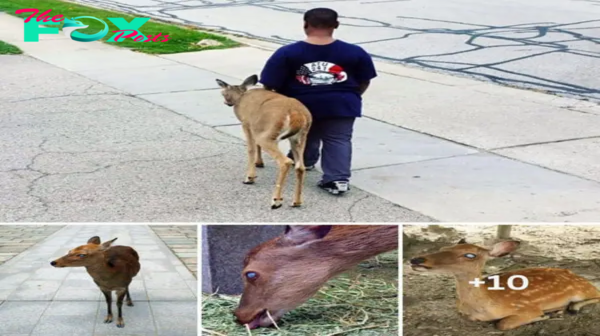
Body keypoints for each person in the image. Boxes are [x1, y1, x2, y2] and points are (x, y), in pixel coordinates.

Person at [259, 7, 377, 195]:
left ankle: (303, 161)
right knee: (338, 139)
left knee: (305, 134)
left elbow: (269, 84)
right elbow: (365, 80)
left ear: (305, 25)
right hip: (342, 102)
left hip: (300, 105)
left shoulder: (287, 53)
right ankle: (337, 180)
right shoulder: (355, 52)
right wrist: (353, 96)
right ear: (336, 25)